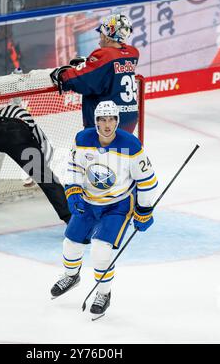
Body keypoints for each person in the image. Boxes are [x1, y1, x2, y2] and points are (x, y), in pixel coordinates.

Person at [50, 101, 158, 317]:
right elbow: (74, 168)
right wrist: (73, 190)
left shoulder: (131, 145)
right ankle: (71, 276)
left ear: (117, 121)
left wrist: (144, 210)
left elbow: (148, 181)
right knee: (70, 244)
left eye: (111, 119)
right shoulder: (82, 139)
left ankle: (103, 293)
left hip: (117, 205)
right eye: (102, 120)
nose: (107, 125)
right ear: (96, 121)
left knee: (101, 250)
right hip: (89, 202)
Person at [50, 14, 140, 134]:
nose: (99, 40)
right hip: (130, 118)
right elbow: (108, 72)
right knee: (121, 151)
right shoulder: (132, 53)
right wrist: (89, 63)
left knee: (98, 152)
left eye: (101, 35)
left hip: (107, 122)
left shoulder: (105, 55)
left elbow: (84, 80)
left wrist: (63, 76)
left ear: (108, 38)